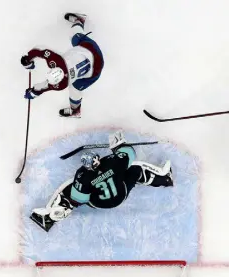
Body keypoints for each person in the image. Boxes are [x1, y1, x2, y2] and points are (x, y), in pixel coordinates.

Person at [30, 131, 173, 232]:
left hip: (99, 204)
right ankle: (165, 179)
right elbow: (129, 153)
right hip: (121, 194)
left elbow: (81, 198)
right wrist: (118, 145)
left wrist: (83, 190)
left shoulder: (82, 175)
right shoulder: (113, 162)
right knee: (135, 170)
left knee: (70, 190)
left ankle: (52, 216)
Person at [20, 13, 104, 118]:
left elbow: (44, 86)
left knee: (75, 88)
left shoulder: (62, 82)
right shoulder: (58, 63)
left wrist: (28, 61)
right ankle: (79, 21)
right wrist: (33, 92)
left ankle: (75, 111)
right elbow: (41, 51)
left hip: (94, 69)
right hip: (91, 50)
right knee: (74, 37)